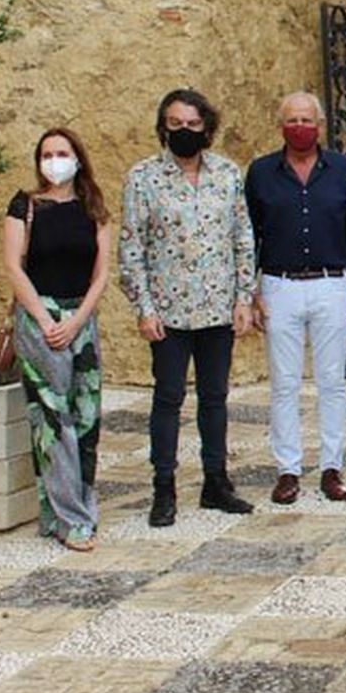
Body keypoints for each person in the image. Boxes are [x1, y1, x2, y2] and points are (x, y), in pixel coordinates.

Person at [118, 89, 257, 527]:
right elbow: (132, 248)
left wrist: (243, 299)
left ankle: (216, 481)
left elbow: (242, 239)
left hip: (218, 308)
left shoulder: (228, 175)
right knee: (168, 397)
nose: (184, 131)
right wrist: (143, 307)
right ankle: (164, 487)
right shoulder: (142, 178)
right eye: (175, 124)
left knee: (215, 397)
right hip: (168, 312)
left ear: (206, 127)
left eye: (192, 124)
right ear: (163, 126)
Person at [245, 91, 346, 505]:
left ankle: (332, 466)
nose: (300, 126)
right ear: (281, 125)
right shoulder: (261, 172)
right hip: (279, 285)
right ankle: (288, 470)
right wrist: (252, 291)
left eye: (307, 119)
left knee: (332, 382)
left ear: (319, 124)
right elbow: (249, 234)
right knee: (284, 384)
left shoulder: (342, 170)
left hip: (331, 282)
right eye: (292, 119)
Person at [3, 128, 111, 551]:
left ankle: (60, 508)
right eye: (47, 154)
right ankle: (73, 519)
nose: (54, 160)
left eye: (62, 152)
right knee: (52, 418)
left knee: (85, 417)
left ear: (78, 159)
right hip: (39, 319)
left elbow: (101, 274)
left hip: (81, 319)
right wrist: (46, 318)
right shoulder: (24, 206)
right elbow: (14, 267)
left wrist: (77, 319)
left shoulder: (94, 209)